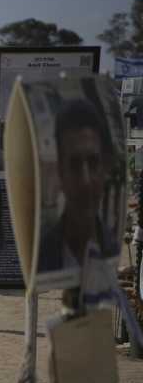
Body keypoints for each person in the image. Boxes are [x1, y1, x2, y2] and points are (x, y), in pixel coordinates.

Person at [36, 99, 117, 274]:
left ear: (105, 168)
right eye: (74, 164)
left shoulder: (112, 250)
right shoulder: (42, 257)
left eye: (93, 162)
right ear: (60, 172)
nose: (86, 181)